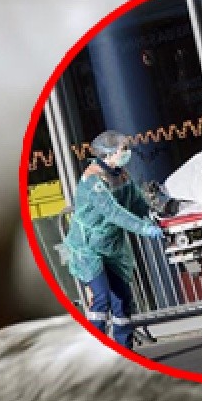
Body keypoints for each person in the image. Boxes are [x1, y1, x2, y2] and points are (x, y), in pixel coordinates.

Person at [62, 130, 163, 349]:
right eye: (122, 149)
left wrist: (156, 214)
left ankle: (123, 350)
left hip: (112, 245)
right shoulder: (94, 180)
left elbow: (136, 202)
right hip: (89, 247)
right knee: (102, 297)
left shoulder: (121, 174)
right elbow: (113, 212)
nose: (127, 153)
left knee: (123, 299)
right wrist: (144, 229)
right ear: (108, 154)